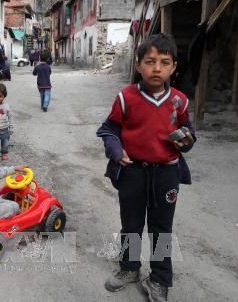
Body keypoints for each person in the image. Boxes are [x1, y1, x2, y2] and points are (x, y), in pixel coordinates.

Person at [96, 34, 196, 302]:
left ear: (174, 67)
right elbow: (108, 129)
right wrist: (115, 150)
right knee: (131, 224)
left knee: (162, 228)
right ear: (138, 64)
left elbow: (188, 132)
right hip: (133, 173)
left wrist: (186, 140)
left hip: (166, 174)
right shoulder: (126, 98)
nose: (157, 68)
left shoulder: (180, 101)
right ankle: (129, 268)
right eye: (150, 61)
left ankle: (160, 278)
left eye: (164, 62)